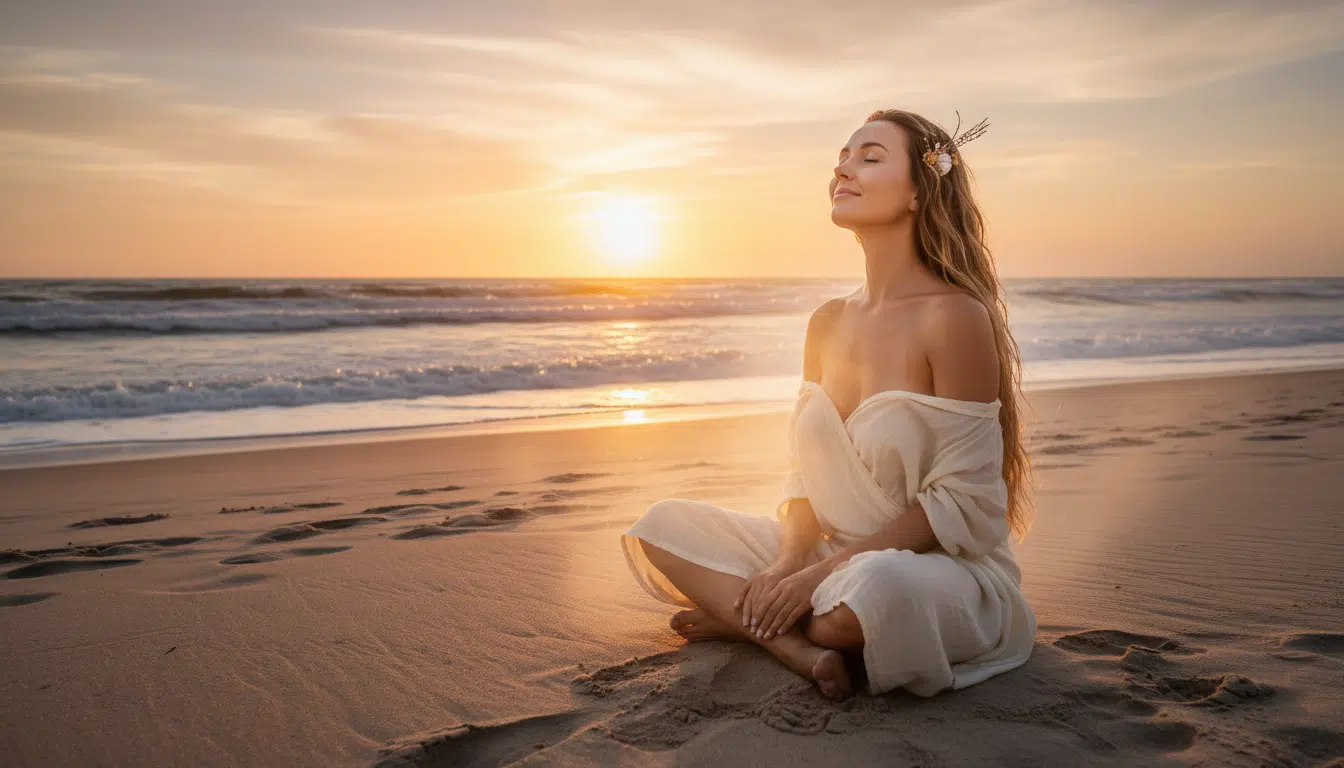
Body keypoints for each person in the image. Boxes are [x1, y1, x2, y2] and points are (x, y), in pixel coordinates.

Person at [620, 108, 1037, 701]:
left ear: (921, 191)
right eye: (842, 157)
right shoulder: (826, 321)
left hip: (930, 568)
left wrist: (816, 576)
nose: (843, 168)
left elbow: (963, 504)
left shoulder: (955, 318)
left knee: (874, 594)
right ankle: (790, 642)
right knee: (662, 526)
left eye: (869, 157)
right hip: (822, 554)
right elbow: (802, 477)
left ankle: (748, 622)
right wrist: (788, 562)